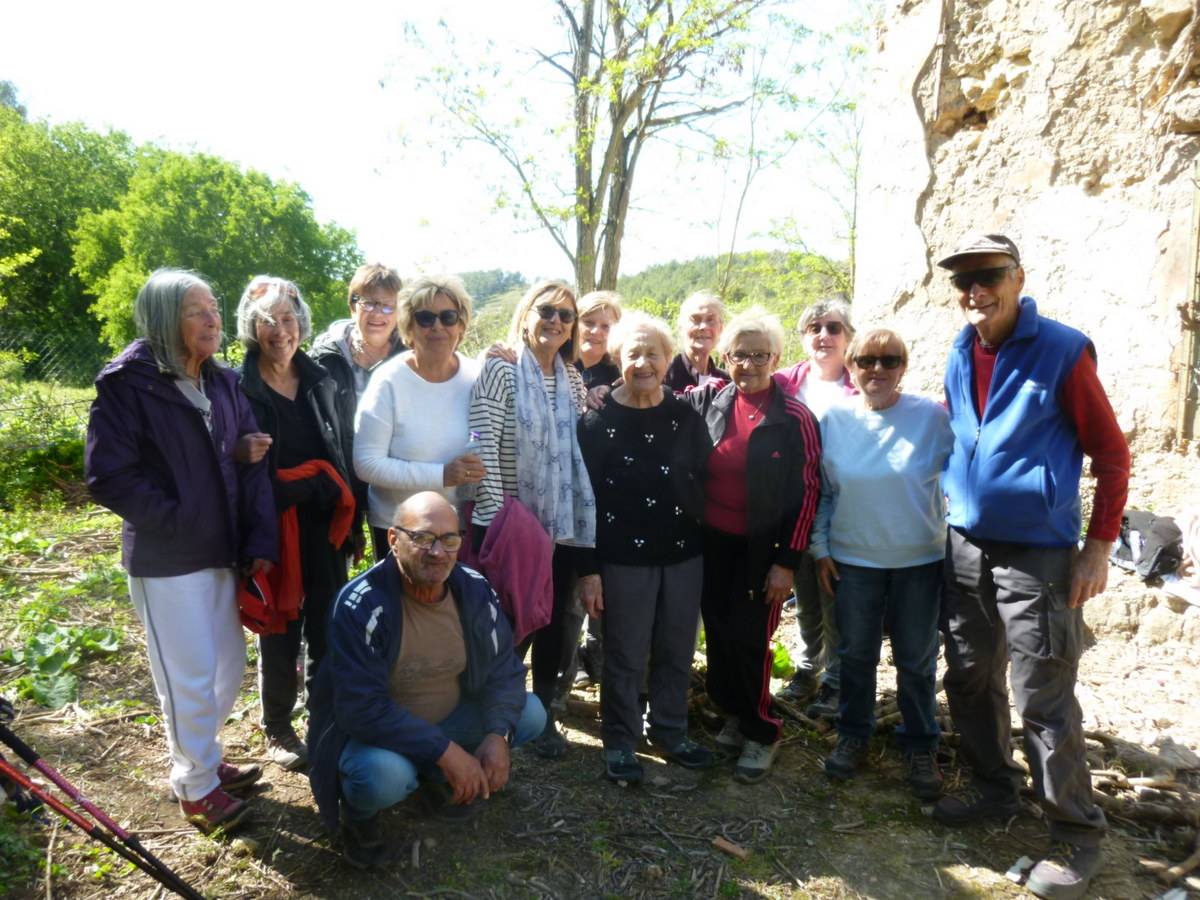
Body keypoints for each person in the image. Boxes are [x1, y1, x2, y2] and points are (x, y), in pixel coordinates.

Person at [934, 233, 1130, 900]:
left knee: (1043, 697)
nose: (974, 290)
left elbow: (1112, 454)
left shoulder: (1064, 351)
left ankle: (1077, 834)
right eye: (962, 279)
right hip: (965, 545)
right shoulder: (962, 349)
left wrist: (1098, 546)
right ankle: (995, 791)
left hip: (1038, 555)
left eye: (988, 275)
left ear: (1018, 277)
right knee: (966, 675)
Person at [85, 269, 277, 834]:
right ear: (166, 320)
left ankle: (207, 758)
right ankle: (195, 784)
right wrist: (179, 520)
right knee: (187, 674)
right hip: (168, 557)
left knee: (227, 667)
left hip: (222, 547)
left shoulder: (221, 382)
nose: (213, 320)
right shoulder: (128, 384)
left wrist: (257, 538)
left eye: (214, 308)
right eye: (197, 311)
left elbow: (250, 459)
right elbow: (108, 476)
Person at [306, 492, 545, 869]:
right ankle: (360, 819)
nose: (438, 552)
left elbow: (505, 669)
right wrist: (446, 751)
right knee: (382, 776)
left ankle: (438, 778)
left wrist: (498, 735)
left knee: (528, 714)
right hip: (376, 736)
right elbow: (360, 710)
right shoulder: (361, 605)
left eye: (450, 539)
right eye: (422, 538)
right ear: (392, 539)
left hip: (448, 716)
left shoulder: (473, 589)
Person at [809, 329, 952, 800]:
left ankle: (919, 743)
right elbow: (824, 492)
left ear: (903, 368)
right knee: (856, 655)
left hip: (918, 560)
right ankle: (854, 733)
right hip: (853, 559)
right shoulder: (834, 418)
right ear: (850, 367)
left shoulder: (930, 418)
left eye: (889, 360)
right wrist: (821, 548)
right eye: (866, 360)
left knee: (915, 659)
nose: (877, 370)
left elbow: (962, 478)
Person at [684, 306, 821, 783]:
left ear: (777, 357)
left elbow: (808, 495)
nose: (750, 364)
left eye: (760, 355)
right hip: (713, 544)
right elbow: (657, 391)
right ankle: (735, 714)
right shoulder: (711, 401)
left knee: (751, 640)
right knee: (719, 636)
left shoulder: (795, 417)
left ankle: (764, 731)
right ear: (726, 357)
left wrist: (787, 563)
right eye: (740, 355)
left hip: (762, 552)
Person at [577, 312, 714, 783]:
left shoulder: (684, 414)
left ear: (668, 359)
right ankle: (620, 739)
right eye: (633, 353)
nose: (643, 363)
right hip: (621, 556)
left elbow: (705, 479)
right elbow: (584, 497)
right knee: (625, 651)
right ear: (618, 359)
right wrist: (588, 569)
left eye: (652, 353)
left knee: (677, 648)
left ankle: (671, 732)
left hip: (682, 552)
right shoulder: (596, 420)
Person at [468, 280, 600, 759]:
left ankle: (541, 715)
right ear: (527, 313)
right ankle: (494, 719)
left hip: (562, 525)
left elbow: (578, 451)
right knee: (508, 622)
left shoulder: (574, 381)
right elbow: (480, 438)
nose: (556, 322)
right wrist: (495, 518)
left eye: (567, 316)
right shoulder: (501, 371)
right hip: (511, 523)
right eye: (547, 310)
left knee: (556, 624)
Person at [236, 276, 355, 772]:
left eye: (288, 320)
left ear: (301, 325)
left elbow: (340, 449)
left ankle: (323, 718)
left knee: (328, 623)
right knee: (279, 628)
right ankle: (278, 725)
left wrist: (346, 513)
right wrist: (241, 456)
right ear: (252, 328)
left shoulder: (320, 379)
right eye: (267, 321)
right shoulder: (236, 387)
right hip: (271, 524)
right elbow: (227, 462)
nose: (279, 331)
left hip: (324, 523)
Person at [353, 275, 482, 560]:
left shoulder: (478, 377)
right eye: (425, 318)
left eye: (448, 317)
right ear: (409, 328)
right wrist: (441, 474)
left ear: (461, 326)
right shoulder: (388, 382)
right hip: (401, 531)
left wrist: (475, 445)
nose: (437, 326)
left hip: (461, 529)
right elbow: (366, 464)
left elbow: (479, 431)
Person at [773, 299, 858, 719]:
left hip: (842, 507)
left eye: (834, 327)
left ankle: (837, 679)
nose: (824, 335)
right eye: (814, 327)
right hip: (792, 505)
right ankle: (808, 670)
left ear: (848, 337)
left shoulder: (862, 384)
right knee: (804, 593)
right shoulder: (784, 382)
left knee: (834, 595)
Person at [310, 263, 406, 560]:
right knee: (335, 565)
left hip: (392, 480)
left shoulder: (411, 354)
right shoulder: (324, 356)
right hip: (339, 480)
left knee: (395, 566)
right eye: (369, 303)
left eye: (388, 306)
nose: (378, 314)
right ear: (353, 306)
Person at [559, 289, 624, 698]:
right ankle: (559, 687)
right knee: (566, 603)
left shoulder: (621, 373)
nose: (597, 332)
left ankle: (601, 671)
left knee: (604, 599)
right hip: (559, 499)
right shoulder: (555, 364)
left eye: (607, 326)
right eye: (590, 322)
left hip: (606, 504)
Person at [664, 291, 730, 391]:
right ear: (681, 327)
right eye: (696, 319)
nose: (704, 326)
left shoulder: (727, 382)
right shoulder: (664, 376)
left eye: (710, 320)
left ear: (721, 328)